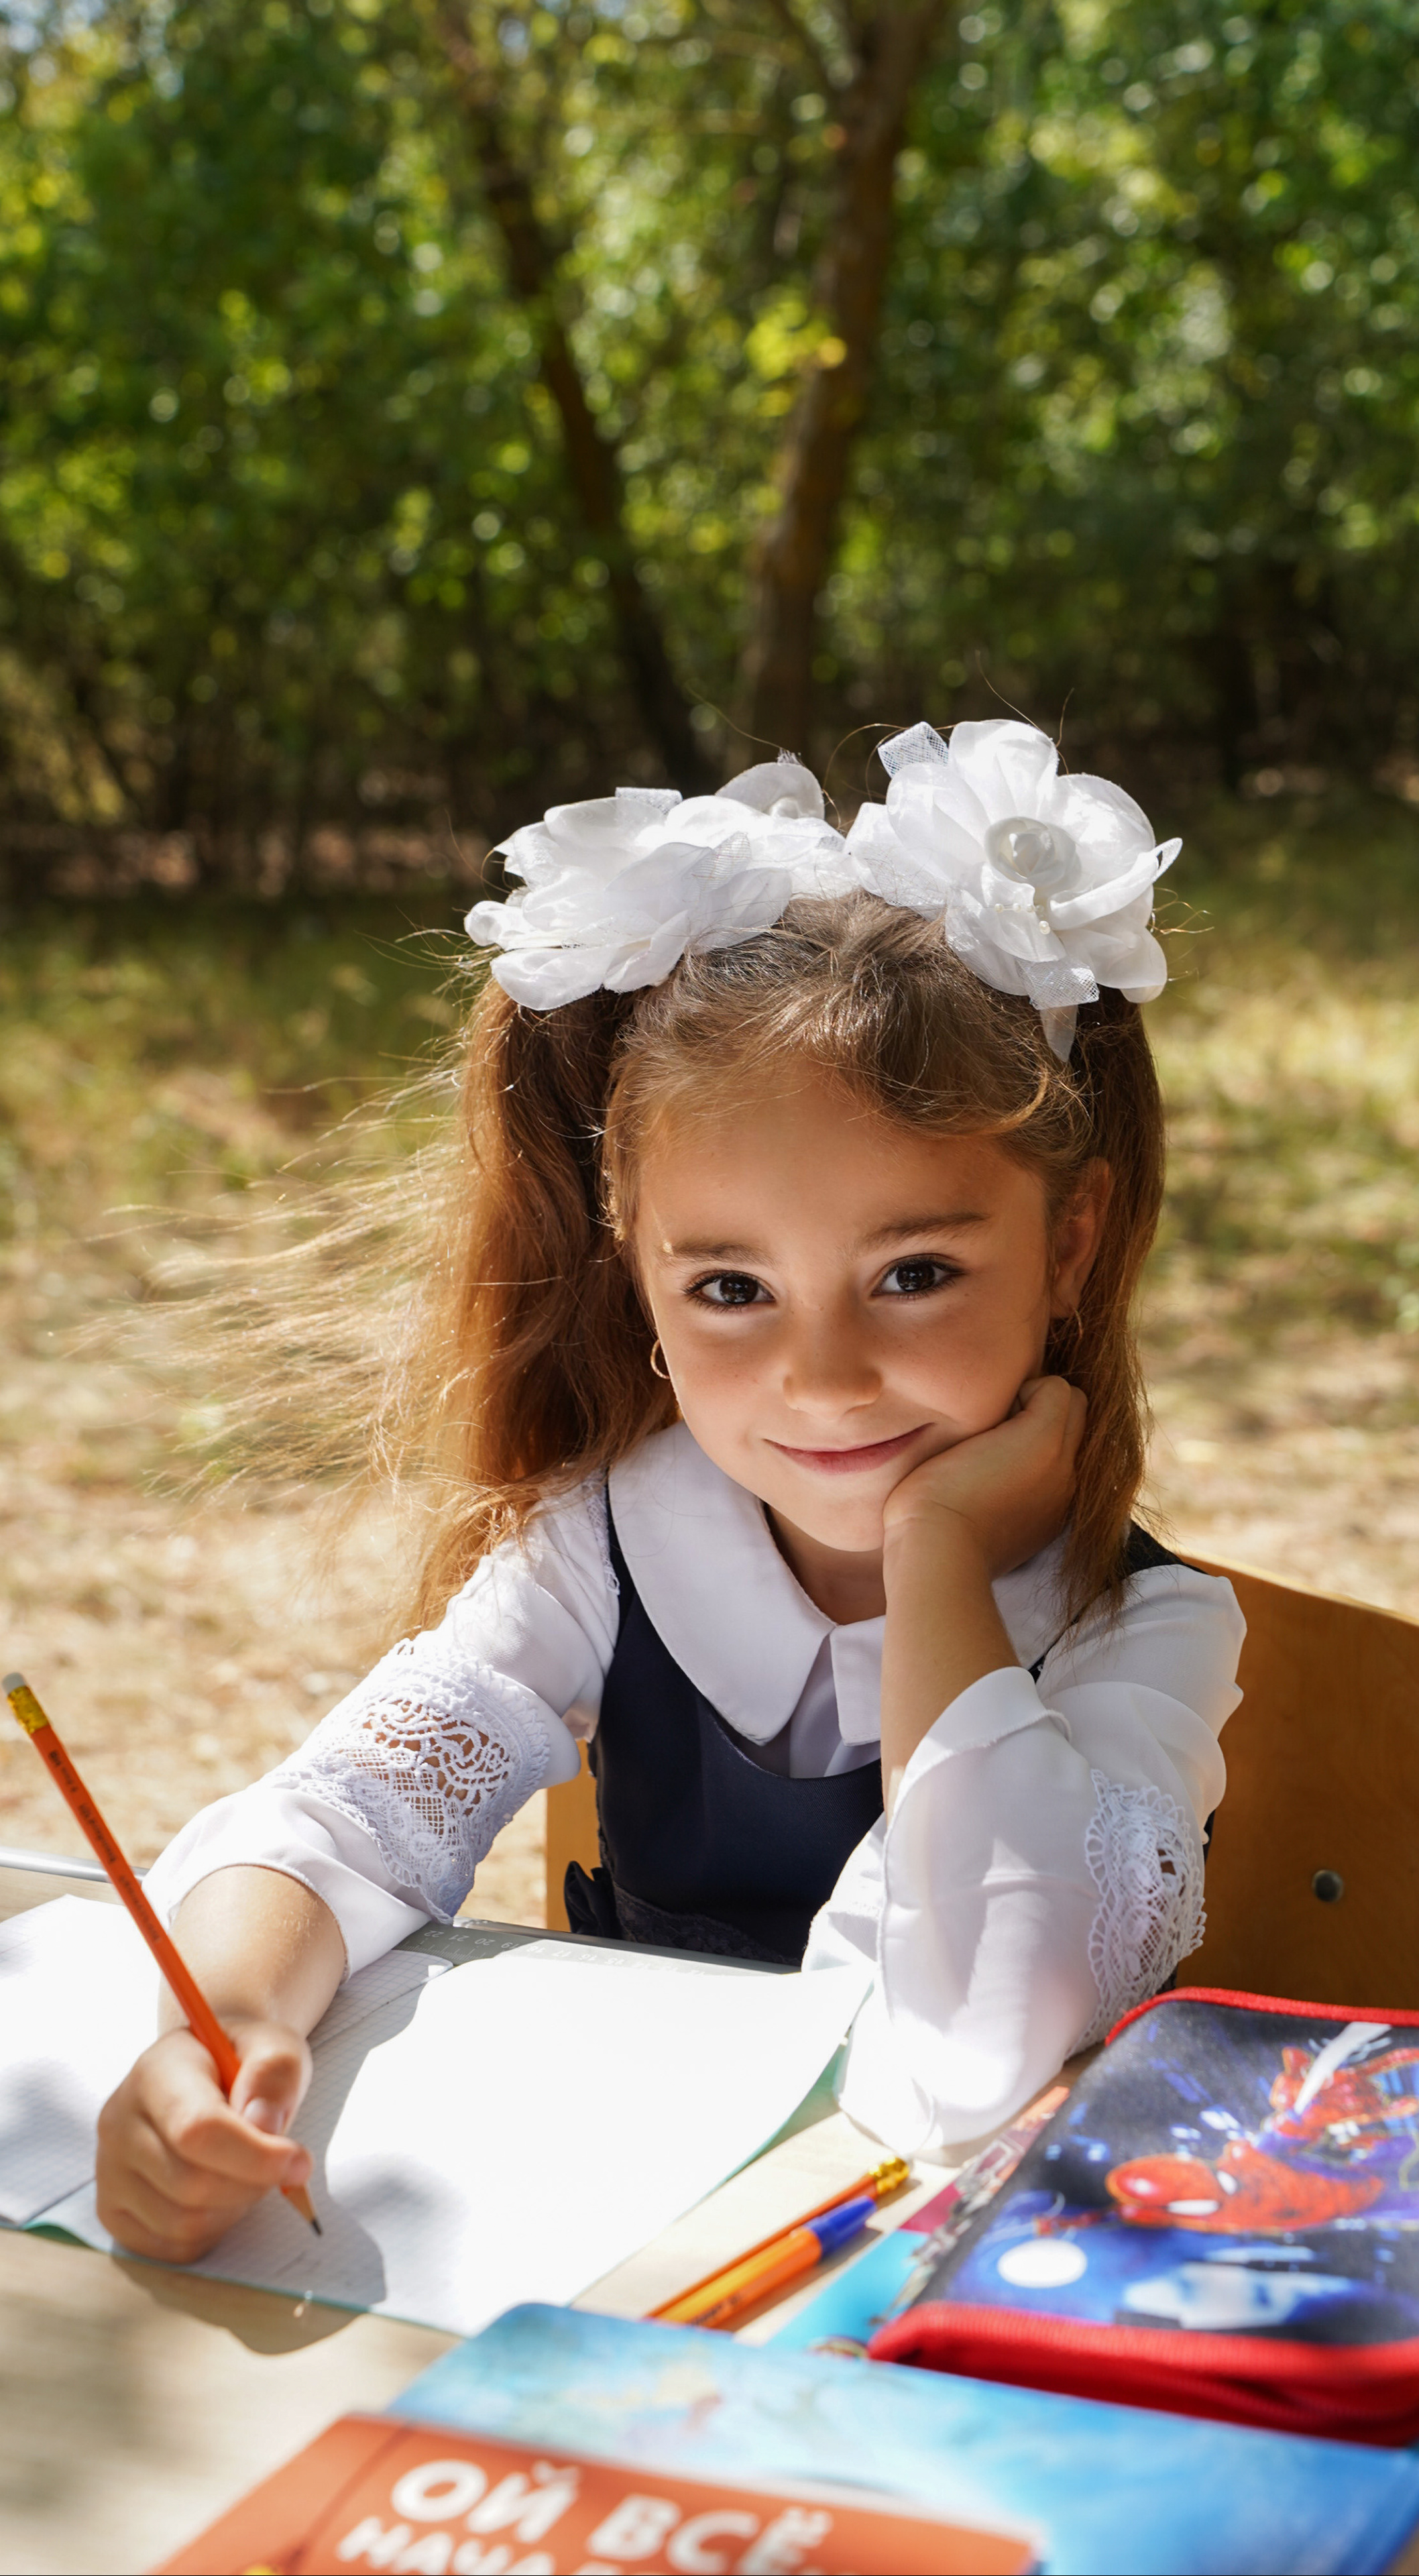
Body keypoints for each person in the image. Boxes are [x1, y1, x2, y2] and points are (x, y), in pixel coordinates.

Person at [95, 718, 1245, 2262]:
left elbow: (989, 2026)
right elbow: (351, 1811)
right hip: (627, 2253)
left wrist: (940, 1553)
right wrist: (220, 2020)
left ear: (1073, 1242)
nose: (824, 1375)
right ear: (630, 1265)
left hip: (957, 2306)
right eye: (728, 1286)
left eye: (913, 1272)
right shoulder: (603, 1545)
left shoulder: (1142, 1628)